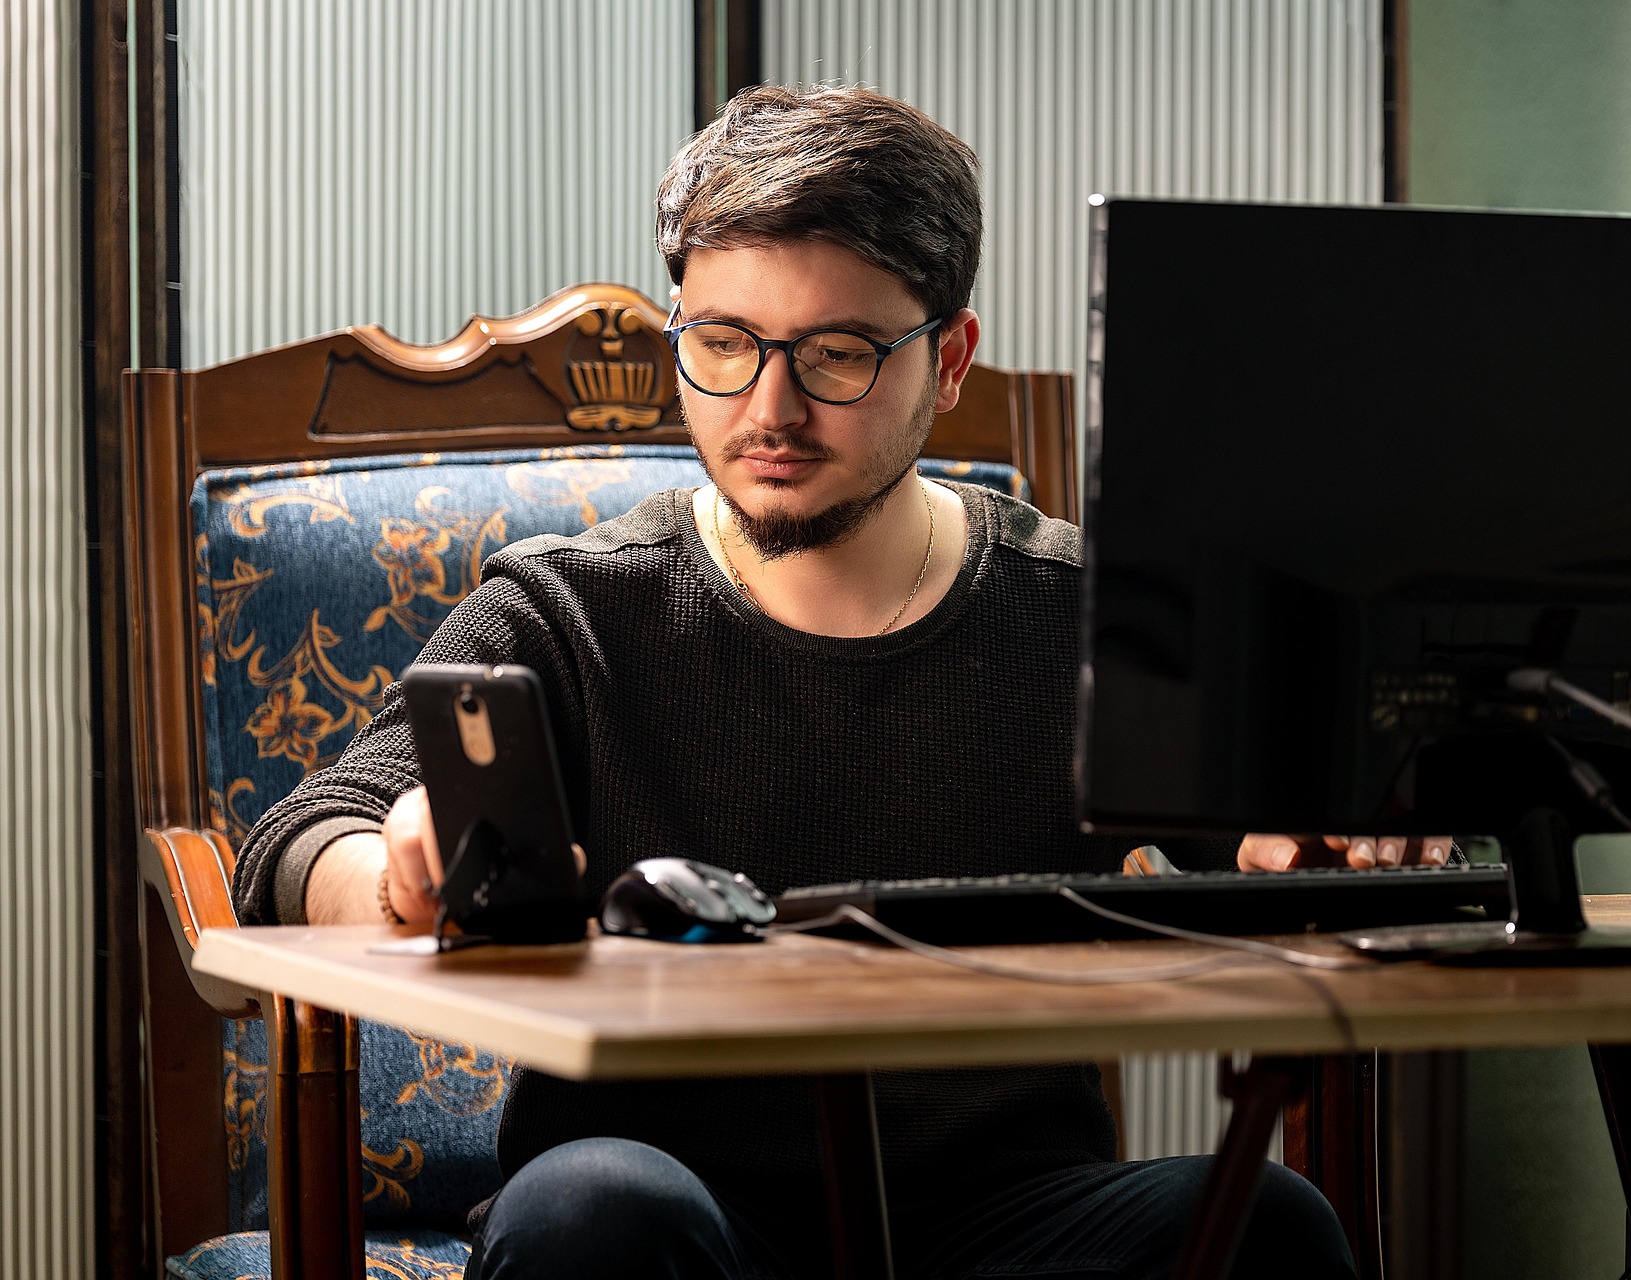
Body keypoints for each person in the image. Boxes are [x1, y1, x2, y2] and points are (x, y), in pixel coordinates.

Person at [233, 84, 1355, 1280]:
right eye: (722, 344)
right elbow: (297, 839)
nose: (768, 410)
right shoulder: (570, 607)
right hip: (670, 1209)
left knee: (1268, 1222)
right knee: (592, 1208)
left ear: (952, 356)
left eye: (835, 355)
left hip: (1007, 1221)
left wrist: (1342, 822)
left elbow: (1288, 844)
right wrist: (398, 870)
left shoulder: (1082, 616)